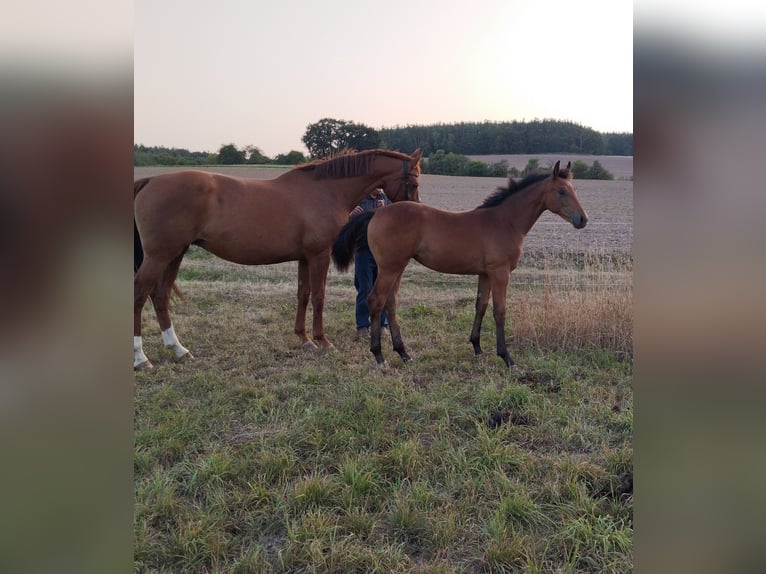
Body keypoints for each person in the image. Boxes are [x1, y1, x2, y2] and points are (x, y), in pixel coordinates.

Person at [350, 187, 390, 339]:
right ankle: (362, 326)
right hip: (363, 250)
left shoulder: (386, 199)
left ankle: (382, 324)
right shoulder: (359, 199)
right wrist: (351, 215)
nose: (379, 189)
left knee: (382, 288)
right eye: (377, 185)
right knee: (365, 288)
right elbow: (346, 224)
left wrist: (386, 211)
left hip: (382, 250)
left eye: (381, 186)